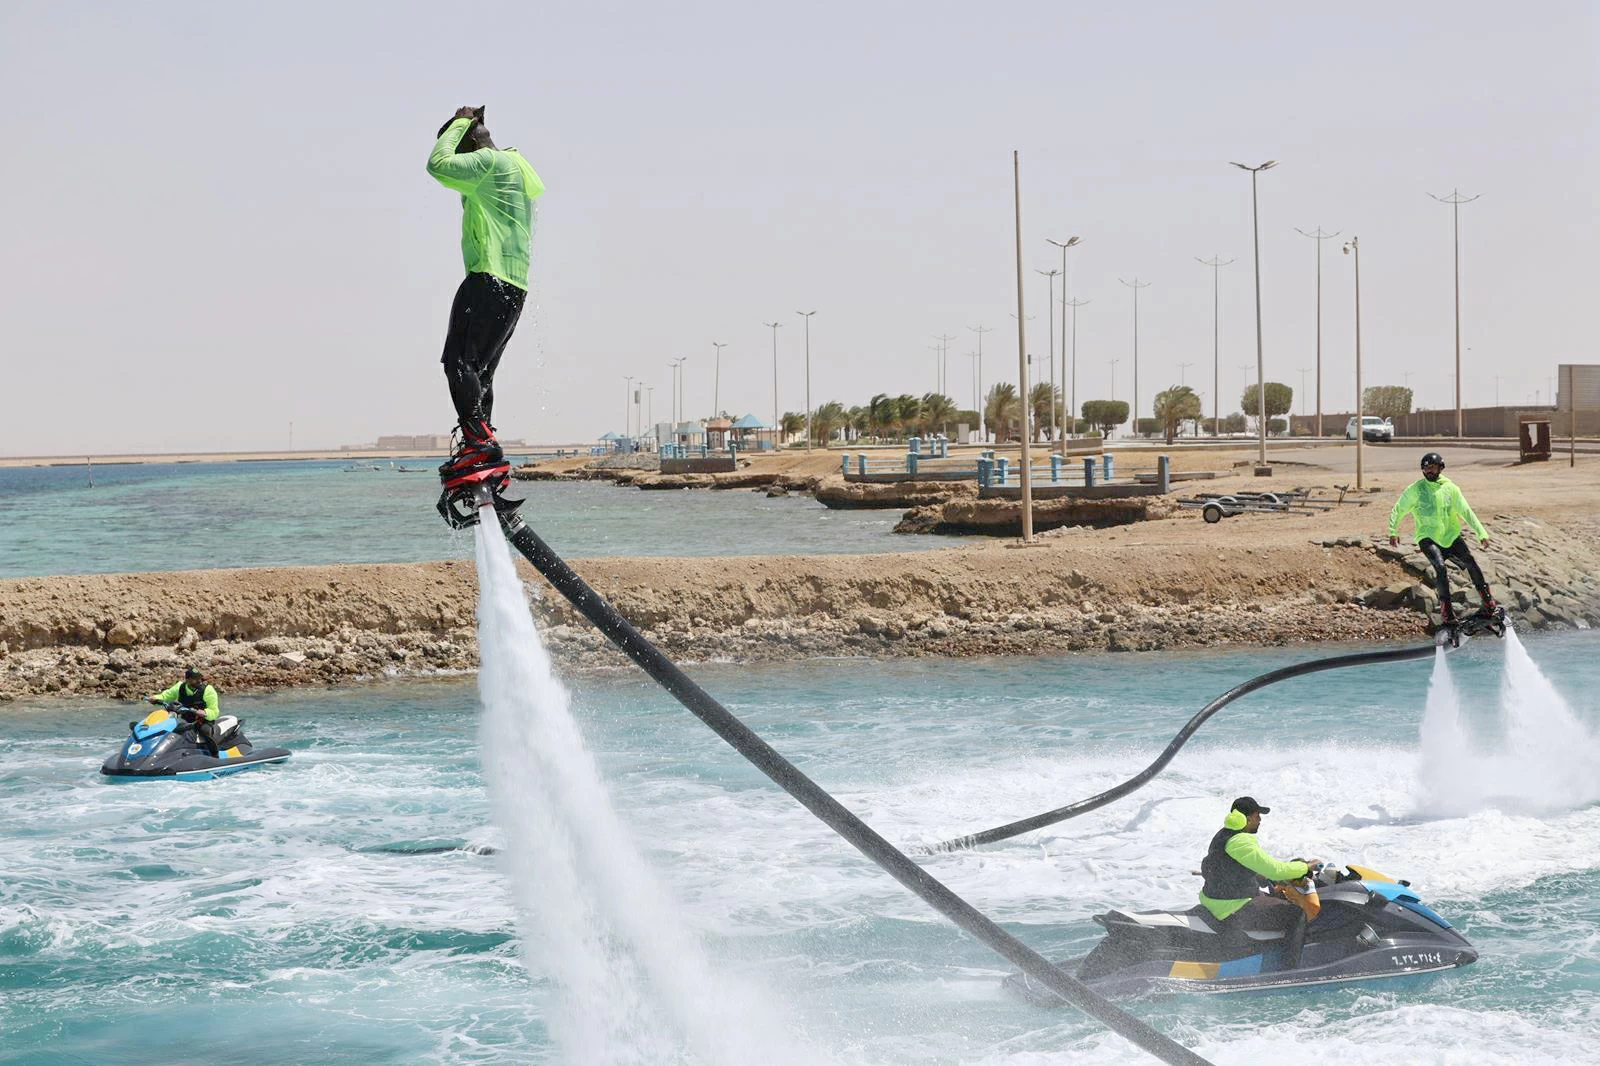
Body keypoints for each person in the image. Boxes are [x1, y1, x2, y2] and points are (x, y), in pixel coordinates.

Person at [427, 105, 546, 480]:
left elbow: (438, 165)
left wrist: (462, 121)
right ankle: (483, 448)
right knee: (481, 372)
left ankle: (478, 444)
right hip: (515, 286)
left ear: (469, 144)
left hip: (487, 278)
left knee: (457, 363)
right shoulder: (516, 168)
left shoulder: (487, 163)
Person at [1198, 796, 1323, 970]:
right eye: (1257, 816)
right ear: (1247, 819)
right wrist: (1304, 866)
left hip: (1217, 900)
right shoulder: (1240, 841)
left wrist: (1260, 876)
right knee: (1296, 914)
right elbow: (1275, 870)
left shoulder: (1223, 835)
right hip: (1234, 905)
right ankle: (1289, 969)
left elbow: (1231, 867)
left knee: (1276, 899)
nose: (1260, 820)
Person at [1388, 452, 1498, 625]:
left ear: (1440, 468)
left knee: (1471, 563)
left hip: (1451, 536)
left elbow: (1466, 511)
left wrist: (1481, 533)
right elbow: (1399, 509)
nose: (1429, 472)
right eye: (1426, 469)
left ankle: (1488, 602)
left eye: (1432, 468)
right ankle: (1447, 613)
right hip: (1427, 537)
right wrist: (1393, 530)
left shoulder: (1450, 488)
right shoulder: (1416, 489)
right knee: (1440, 567)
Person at [148, 667, 222, 755]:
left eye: (199, 678)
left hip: (202, 720)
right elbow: (166, 695)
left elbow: (214, 712)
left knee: (205, 730)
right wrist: (155, 698)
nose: (199, 681)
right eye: (195, 679)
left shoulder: (208, 690)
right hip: (185, 720)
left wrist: (204, 712)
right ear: (187, 680)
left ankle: (215, 755)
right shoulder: (180, 687)